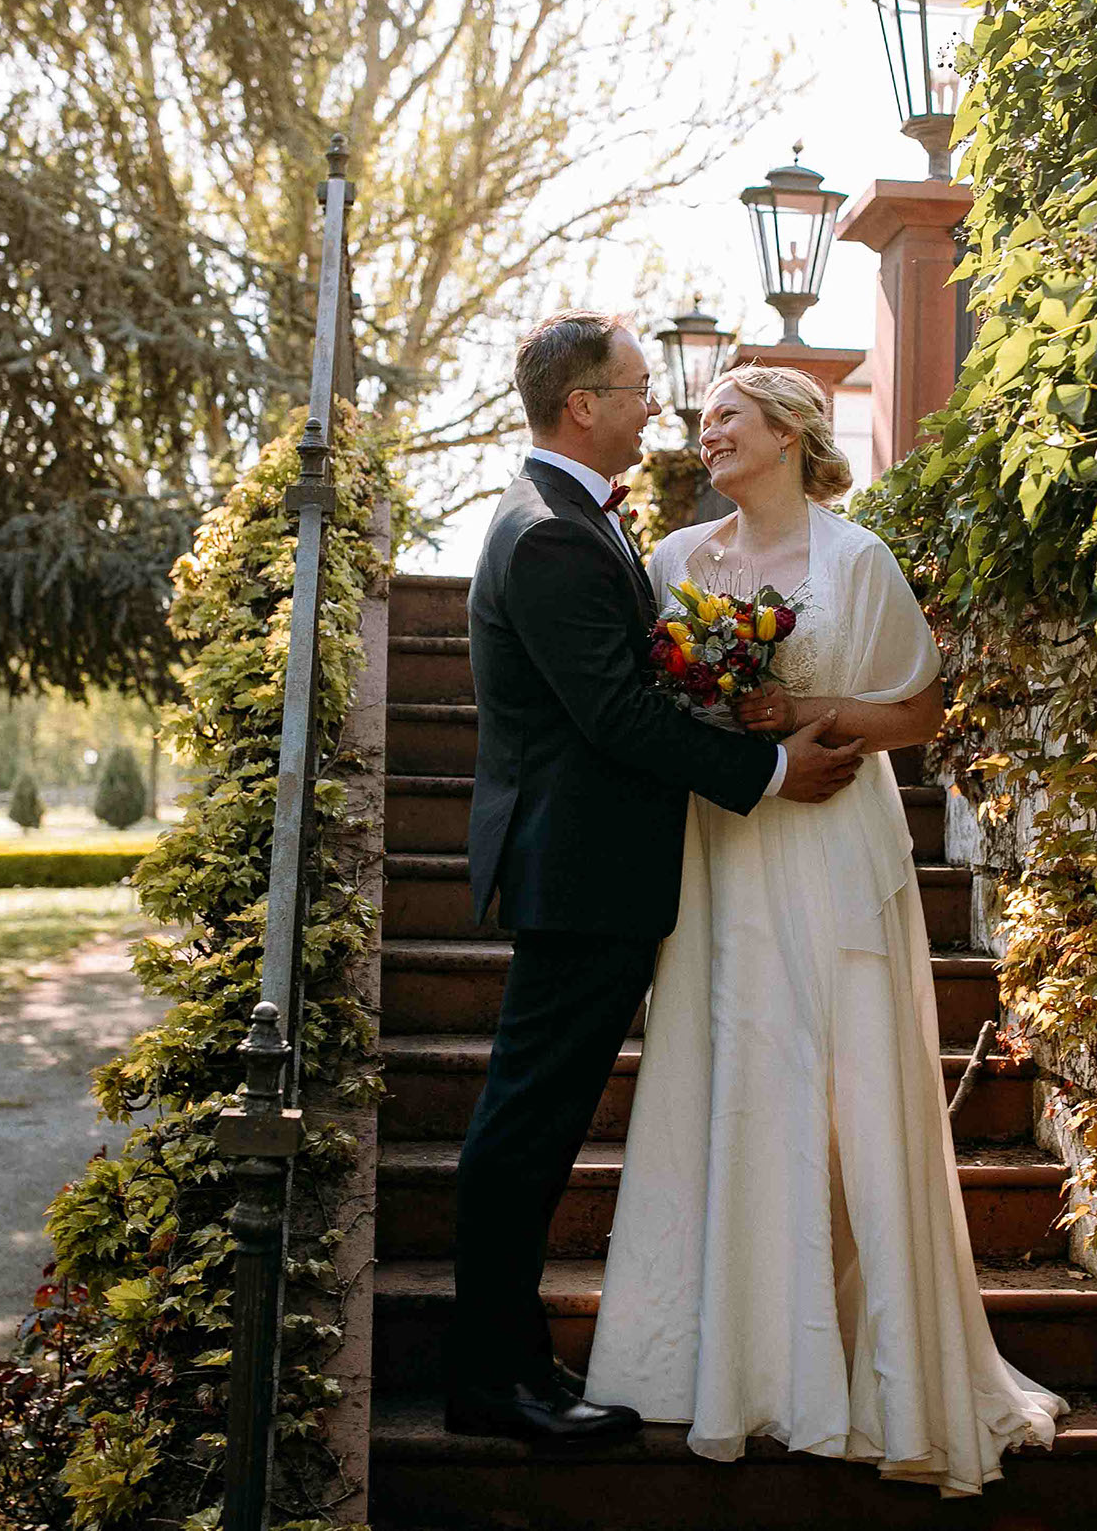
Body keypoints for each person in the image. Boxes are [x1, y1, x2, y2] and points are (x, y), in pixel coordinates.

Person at [587, 365, 1066, 1496]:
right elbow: (647, 702)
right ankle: (729, 1361)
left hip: (835, 842)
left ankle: (868, 1365)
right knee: (733, 1070)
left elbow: (923, 707)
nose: (705, 431)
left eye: (728, 417)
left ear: (792, 434)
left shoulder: (857, 559)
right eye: (701, 417)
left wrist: (805, 712)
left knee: (838, 1079)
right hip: (722, 843)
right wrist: (724, 725)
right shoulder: (672, 563)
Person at [449, 313, 864, 1444]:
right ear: (583, 405)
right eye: (637, 387)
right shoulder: (549, 534)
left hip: (588, 864)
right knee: (525, 1127)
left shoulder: (572, 519)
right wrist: (771, 766)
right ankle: (493, 1377)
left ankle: (507, 1363)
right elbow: (615, 713)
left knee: (531, 1121)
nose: (656, 407)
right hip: (578, 869)